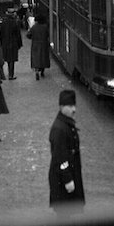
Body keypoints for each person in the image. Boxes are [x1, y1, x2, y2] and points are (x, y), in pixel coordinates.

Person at [48, 89, 85, 217]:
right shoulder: (60, 129)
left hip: (68, 176)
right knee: (64, 217)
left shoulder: (65, 124)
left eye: (74, 105)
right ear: (62, 107)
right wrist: (68, 180)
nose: (74, 109)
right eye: (70, 106)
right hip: (63, 180)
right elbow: (60, 158)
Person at [0, 4, 23, 80]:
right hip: (13, 43)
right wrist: (19, 44)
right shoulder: (15, 23)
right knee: (12, 60)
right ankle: (11, 75)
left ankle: (2, 74)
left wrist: (1, 43)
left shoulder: (4, 22)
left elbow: (1, 34)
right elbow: (18, 35)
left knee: (5, 59)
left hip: (5, 43)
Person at [27, 13, 50, 80]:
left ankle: (37, 72)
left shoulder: (34, 27)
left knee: (36, 59)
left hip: (35, 44)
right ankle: (42, 72)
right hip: (44, 44)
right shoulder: (45, 27)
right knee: (43, 58)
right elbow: (47, 34)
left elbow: (28, 35)